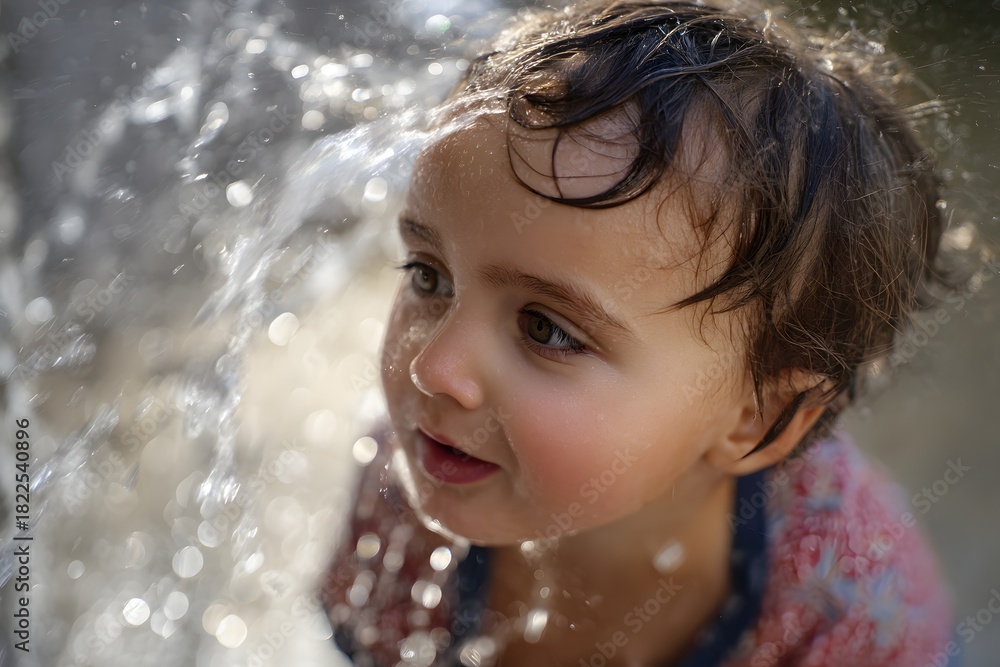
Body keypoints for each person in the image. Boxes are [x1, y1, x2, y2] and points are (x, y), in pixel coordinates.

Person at [321, 1, 959, 664]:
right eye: (430, 276)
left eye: (547, 328)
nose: (434, 366)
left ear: (757, 414)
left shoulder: (851, 612)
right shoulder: (410, 470)